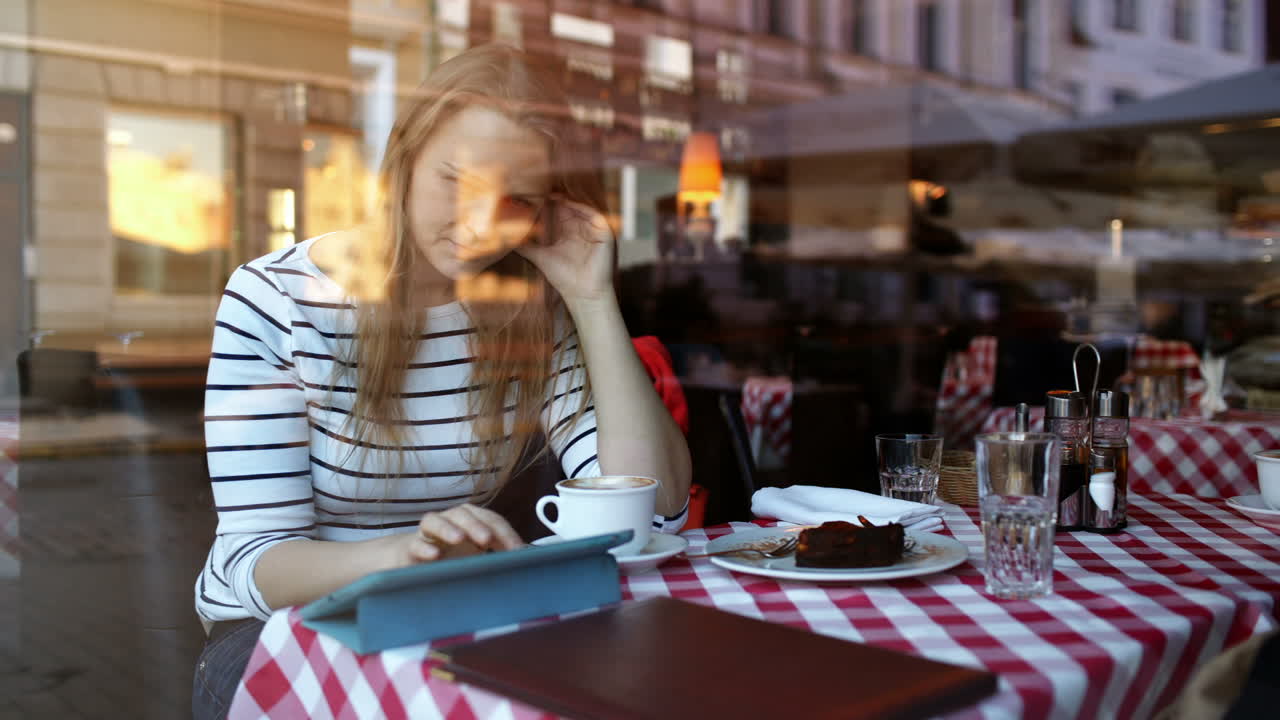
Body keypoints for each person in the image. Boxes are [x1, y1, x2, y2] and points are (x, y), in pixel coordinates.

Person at [192, 45, 691, 719]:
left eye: (517, 201)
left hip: (445, 612)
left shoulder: (526, 307)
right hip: (275, 630)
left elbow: (655, 510)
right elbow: (259, 561)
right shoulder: (274, 299)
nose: (480, 226)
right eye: (457, 182)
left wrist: (591, 299)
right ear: (406, 155)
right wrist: (406, 552)